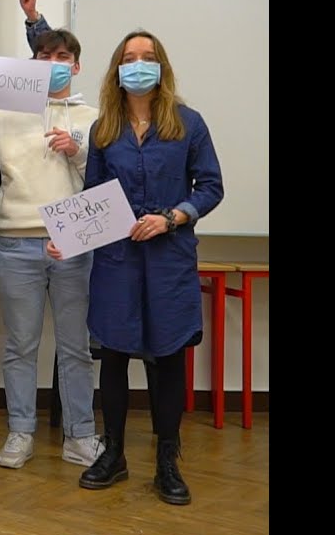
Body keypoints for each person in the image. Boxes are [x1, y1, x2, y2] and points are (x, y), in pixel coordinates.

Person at [58, 30, 223, 506]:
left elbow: (210, 186)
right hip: (117, 260)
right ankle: (114, 455)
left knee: (168, 356)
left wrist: (173, 217)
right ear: (116, 69)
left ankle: (167, 460)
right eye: (129, 58)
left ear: (161, 66)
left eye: (147, 57)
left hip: (168, 259)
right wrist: (68, 237)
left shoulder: (189, 123)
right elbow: (92, 198)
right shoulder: (103, 129)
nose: (138, 65)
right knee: (114, 354)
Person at [0, 23, 104, 471]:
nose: (53, 66)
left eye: (62, 58)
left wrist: (79, 152)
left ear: (77, 65)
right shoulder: (4, 116)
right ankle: (20, 432)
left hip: (74, 242)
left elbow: (109, 185)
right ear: (31, 66)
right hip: (16, 241)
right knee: (20, 346)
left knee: (75, 347)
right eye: (44, 58)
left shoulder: (94, 119)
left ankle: (81, 436)